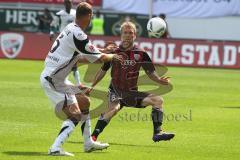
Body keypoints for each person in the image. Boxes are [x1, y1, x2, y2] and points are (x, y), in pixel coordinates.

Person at [40, 2, 122, 156]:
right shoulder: (78, 34)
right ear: (89, 16)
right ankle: (56, 148)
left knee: (85, 101)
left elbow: (80, 57)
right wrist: (115, 56)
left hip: (56, 78)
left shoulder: (71, 28)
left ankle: (88, 143)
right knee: (76, 114)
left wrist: (104, 51)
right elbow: (100, 59)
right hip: (53, 80)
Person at [89, 21, 175, 142]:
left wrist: (159, 80)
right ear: (121, 34)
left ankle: (157, 133)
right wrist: (92, 86)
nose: (128, 35)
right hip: (116, 92)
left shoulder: (141, 54)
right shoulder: (114, 52)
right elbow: (103, 70)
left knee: (158, 100)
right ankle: (93, 137)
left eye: (131, 32)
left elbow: (151, 72)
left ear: (135, 35)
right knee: (113, 110)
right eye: (125, 32)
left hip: (132, 94)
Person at [50, 0, 81, 86]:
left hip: (74, 41)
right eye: (67, 3)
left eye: (70, 3)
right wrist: (51, 33)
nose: (69, 4)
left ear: (72, 4)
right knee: (61, 61)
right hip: (63, 41)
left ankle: (78, 83)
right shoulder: (59, 14)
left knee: (74, 62)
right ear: (64, 4)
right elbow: (53, 25)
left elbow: (79, 24)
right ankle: (57, 79)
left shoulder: (75, 13)